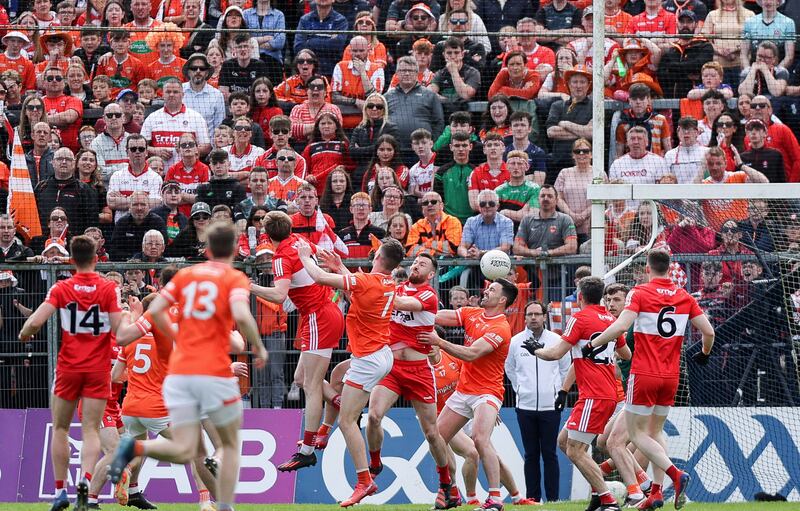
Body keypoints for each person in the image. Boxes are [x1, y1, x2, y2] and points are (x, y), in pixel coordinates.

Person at [108, 222, 267, 511]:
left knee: (192, 448)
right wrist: (257, 345)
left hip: (178, 382)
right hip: (210, 378)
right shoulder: (231, 281)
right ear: (233, 250)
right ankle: (221, 499)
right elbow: (238, 339)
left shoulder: (184, 282)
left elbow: (145, 320)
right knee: (224, 445)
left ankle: (137, 449)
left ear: (206, 249)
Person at [583, 250, 715, 511]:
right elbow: (708, 331)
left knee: (635, 434)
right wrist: (704, 354)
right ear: (670, 269)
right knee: (654, 432)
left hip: (644, 374)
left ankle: (675, 474)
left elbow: (621, 327)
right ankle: (654, 491)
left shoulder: (640, 293)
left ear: (647, 268)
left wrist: (593, 343)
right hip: (671, 376)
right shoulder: (684, 296)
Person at [293, 236, 406, 507]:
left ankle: (364, 480)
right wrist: (339, 266)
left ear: (378, 256)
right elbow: (357, 288)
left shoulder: (367, 281)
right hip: (378, 353)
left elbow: (319, 278)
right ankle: (323, 430)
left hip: (369, 359)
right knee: (336, 376)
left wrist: (305, 256)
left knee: (348, 421)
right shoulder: (386, 280)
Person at [19, 235, 124, 511]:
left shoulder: (61, 288)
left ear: (72, 260)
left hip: (68, 367)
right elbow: (118, 331)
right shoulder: (108, 289)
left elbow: (35, 321)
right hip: (98, 369)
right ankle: (86, 482)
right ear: (96, 258)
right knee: (91, 430)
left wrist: (24, 333)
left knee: (61, 428)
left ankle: (59, 491)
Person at [364, 253, 460, 509]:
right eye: (415, 261)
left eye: (423, 264)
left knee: (432, 434)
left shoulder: (428, 295)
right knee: (373, 417)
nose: (416, 265)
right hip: (393, 368)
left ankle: (446, 485)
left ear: (431, 274)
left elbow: (403, 304)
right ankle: (374, 464)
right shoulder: (396, 287)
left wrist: (375, 288)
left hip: (419, 371)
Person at [526, 276, 631, 511]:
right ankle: (599, 493)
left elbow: (555, 354)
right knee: (564, 442)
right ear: (601, 297)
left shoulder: (579, 318)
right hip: (604, 393)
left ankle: (608, 499)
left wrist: (537, 351)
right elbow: (627, 354)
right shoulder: (610, 321)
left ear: (580, 297)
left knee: (574, 449)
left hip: (594, 395)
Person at [252, 211, 345, 468]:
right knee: (301, 378)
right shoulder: (299, 241)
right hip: (322, 311)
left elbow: (279, 296)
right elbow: (321, 256)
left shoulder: (281, 257)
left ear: (266, 235)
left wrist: (247, 286)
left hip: (318, 316)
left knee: (312, 387)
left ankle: (306, 450)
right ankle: (343, 405)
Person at [417, 279, 518, 511]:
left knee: (480, 440)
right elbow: (437, 316)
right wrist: (413, 306)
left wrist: (439, 341)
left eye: (492, 290)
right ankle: (450, 490)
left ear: (502, 300)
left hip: (487, 392)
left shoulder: (501, 328)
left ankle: (494, 499)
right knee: (435, 436)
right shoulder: (473, 313)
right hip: (464, 391)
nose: (486, 291)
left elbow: (472, 354)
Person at [505, 300, 570, 503]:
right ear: (525, 317)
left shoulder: (556, 340)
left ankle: (553, 500)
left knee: (550, 453)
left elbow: (565, 368)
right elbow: (510, 369)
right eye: (530, 314)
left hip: (551, 407)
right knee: (531, 454)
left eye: (537, 314)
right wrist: (521, 390)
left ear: (544, 316)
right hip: (524, 407)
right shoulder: (515, 341)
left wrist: (559, 392)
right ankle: (532, 498)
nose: (533, 318)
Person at [386, 56, 445, 165]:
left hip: (422, 153)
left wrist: (429, 145)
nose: (407, 73)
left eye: (411, 70)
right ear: (397, 73)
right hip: (395, 152)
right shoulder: (387, 96)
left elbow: (439, 123)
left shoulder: (430, 95)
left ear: (417, 73)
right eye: (403, 70)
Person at [141, 79, 211, 168]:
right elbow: (140, 145)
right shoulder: (152, 117)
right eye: (168, 92)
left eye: (175, 92)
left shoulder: (196, 117)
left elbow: (207, 147)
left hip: (188, 172)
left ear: (183, 94)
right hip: (158, 172)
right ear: (162, 94)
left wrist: (187, 150)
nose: (171, 95)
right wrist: (155, 151)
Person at [34, 147, 98, 236]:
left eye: (68, 159)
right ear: (52, 162)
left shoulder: (85, 190)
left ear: (74, 163)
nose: (64, 162)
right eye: (60, 159)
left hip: (74, 244)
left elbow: (92, 222)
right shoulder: (41, 187)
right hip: (44, 241)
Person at [545, 66, 593, 182]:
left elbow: (592, 133)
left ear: (588, 85)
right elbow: (551, 132)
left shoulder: (594, 106)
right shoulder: (557, 106)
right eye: (575, 82)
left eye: (582, 82)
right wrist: (583, 131)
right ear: (569, 84)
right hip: (559, 164)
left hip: (586, 165)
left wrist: (565, 123)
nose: (578, 85)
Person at [107, 135, 164, 222]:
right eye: (133, 149)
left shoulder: (155, 177)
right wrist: (144, 200)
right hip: (122, 226)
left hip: (148, 226)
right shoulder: (117, 175)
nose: (137, 152)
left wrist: (125, 199)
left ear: (146, 152)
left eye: (141, 149)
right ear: (127, 152)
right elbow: (111, 203)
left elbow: (156, 204)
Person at [513, 185, 578, 259]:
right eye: (542, 196)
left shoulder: (565, 219)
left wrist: (548, 253)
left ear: (556, 200)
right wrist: (533, 252)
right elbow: (516, 248)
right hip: (533, 268)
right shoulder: (527, 220)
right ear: (538, 199)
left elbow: (572, 247)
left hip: (560, 268)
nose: (545, 199)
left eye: (550, 196)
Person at [294, 0, 349, 77]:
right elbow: (298, 47)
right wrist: (328, 40)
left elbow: (337, 45)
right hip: (308, 73)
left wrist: (310, 41)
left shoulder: (340, 21)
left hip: (332, 72)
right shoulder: (305, 20)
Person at [110, 191, 169, 261]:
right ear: (129, 206)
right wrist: (134, 260)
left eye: (143, 204)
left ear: (149, 206)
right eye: (135, 204)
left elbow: (163, 249)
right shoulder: (122, 223)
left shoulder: (157, 222)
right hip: (128, 264)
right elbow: (114, 251)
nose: (139, 208)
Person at [458, 189, 514, 258]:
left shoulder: (506, 222)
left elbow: (505, 248)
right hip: (475, 264)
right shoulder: (471, 221)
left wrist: (481, 253)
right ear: (479, 207)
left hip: (500, 264)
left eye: (491, 203)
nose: (487, 206)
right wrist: (467, 254)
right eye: (483, 204)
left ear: (497, 206)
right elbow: (462, 247)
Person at [182, 53, 226, 139]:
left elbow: (219, 127)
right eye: (194, 68)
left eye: (202, 69)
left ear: (207, 73)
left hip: (207, 147)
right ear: (188, 72)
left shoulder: (216, 95)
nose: (198, 71)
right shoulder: (179, 91)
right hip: (181, 146)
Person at [406, 191, 462, 257]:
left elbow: (453, 246)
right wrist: (434, 254)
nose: (429, 204)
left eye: (434, 202)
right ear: (422, 208)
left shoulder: (453, 221)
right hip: (424, 264)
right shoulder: (417, 226)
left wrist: (427, 244)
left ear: (441, 205)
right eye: (425, 203)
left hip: (451, 265)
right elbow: (410, 250)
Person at [337, 192, 386, 258]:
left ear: (370, 209)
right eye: (357, 205)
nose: (361, 208)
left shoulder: (379, 233)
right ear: (351, 209)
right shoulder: (342, 234)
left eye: (364, 205)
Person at [663, 116, 709, 184]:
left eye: (689, 129)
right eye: (683, 129)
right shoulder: (670, 155)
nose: (686, 132)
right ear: (678, 132)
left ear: (696, 132)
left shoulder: (707, 152)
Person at [740, 118, 785, 182]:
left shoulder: (775, 155)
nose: (753, 132)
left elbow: (782, 182)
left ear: (765, 133)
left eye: (757, 129)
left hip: (771, 191)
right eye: (750, 130)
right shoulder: (742, 157)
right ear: (747, 134)